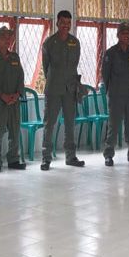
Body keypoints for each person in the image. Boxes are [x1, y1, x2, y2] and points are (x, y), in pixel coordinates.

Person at [40, 10, 85, 170]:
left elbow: (75, 64)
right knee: (49, 124)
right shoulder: (49, 43)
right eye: (63, 22)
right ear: (57, 23)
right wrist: (56, 78)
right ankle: (46, 158)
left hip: (70, 89)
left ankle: (71, 156)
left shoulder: (75, 42)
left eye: (68, 23)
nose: (66, 25)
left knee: (70, 124)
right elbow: (46, 66)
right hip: (54, 88)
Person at [0, 26, 26, 172]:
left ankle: (13, 159)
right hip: (0, 102)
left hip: (14, 101)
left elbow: (21, 77)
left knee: (15, 131)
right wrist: (2, 95)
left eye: (9, 38)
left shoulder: (15, 57)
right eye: (4, 37)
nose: (8, 40)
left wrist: (17, 94)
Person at [102, 22, 129, 166]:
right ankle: (108, 154)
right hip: (116, 94)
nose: (126, 36)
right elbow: (105, 74)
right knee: (114, 126)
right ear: (118, 35)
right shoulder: (111, 53)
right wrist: (111, 91)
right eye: (124, 33)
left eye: (128, 33)